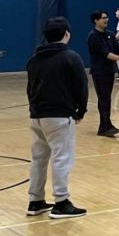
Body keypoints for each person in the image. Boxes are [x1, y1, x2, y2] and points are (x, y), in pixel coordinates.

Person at [25, 16, 89, 219]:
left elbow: (29, 89)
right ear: (67, 34)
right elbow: (82, 86)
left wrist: (34, 110)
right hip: (60, 116)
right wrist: (80, 111)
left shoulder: (34, 59)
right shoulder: (71, 57)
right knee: (62, 158)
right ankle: (61, 202)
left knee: (39, 159)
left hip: (37, 116)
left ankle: (35, 201)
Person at [87, 10, 119, 137]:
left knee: (107, 98)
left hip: (109, 71)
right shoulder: (93, 36)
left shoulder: (110, 34)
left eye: (107, 17)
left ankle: (106, 125)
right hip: (99, 71)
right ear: (96, 20)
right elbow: (106, 54)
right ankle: (105, 126)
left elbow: (118, 48)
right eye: (103, 18)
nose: (106, 20)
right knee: (104, 98)